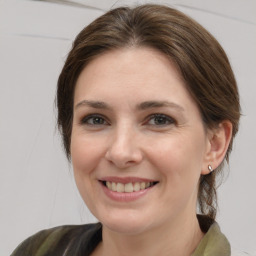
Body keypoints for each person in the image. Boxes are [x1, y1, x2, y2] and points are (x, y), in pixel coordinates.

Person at [11, 4, 240, 256]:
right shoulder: (40, 251)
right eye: (96, 120)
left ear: (214, 145)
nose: (121, 152)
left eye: (159, 120)